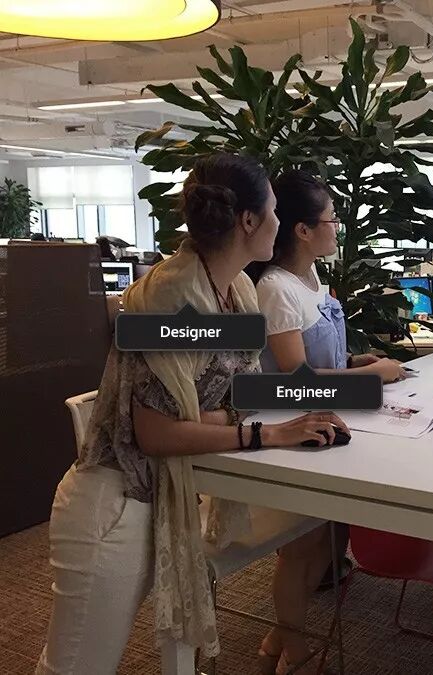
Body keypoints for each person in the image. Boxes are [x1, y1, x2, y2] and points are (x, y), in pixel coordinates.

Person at [35, 154, 349, 675]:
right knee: (77, 667)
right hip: (115, 502)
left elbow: (219, 398)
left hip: (165, 494)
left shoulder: (236, 290)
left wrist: (272, 417)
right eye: (273, 211)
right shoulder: (170, 297)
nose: (278, 222)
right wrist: (264, 433)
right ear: (248, 221)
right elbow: (157, 433)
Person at [250, 168, 405, 383]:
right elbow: (298, 379)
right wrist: (373, 374)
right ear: (304, 231)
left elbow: (315, 354)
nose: (337, 227)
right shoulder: (276, 288)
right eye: (331, 219)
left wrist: (351, 361)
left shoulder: (309, 271)